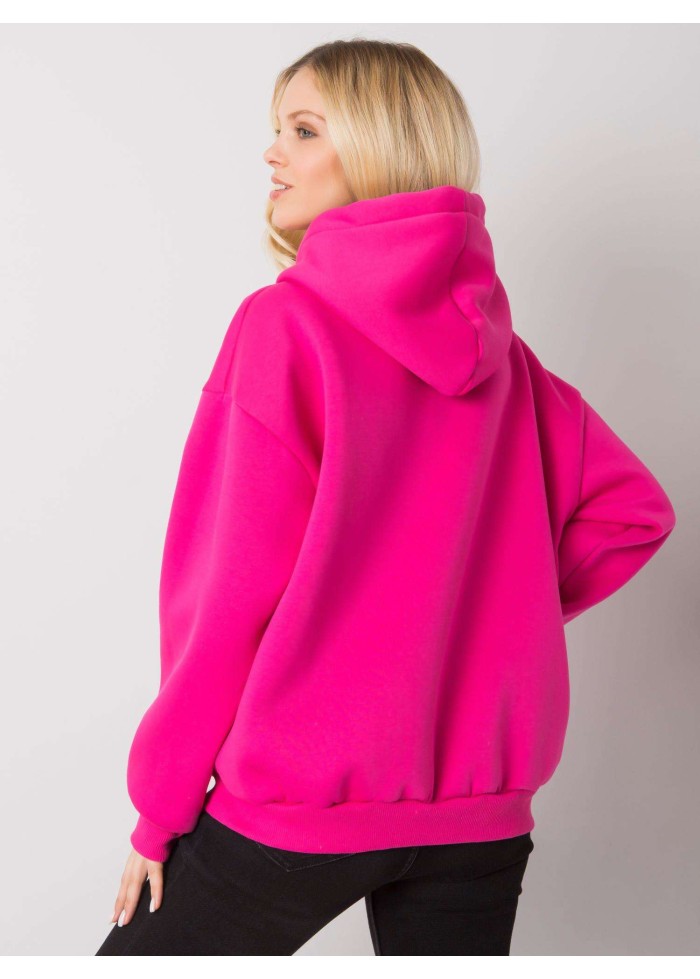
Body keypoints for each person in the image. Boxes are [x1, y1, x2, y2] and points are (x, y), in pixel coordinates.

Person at [96, 38, 676, 956]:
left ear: (373, 148)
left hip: (301, 802)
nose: (272, 152)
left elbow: (227, 595)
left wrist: (159, 807)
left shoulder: (286, 328)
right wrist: (482, 616)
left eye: (303, 129)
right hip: (481, 823)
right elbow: (630, 512)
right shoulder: (508, 366)